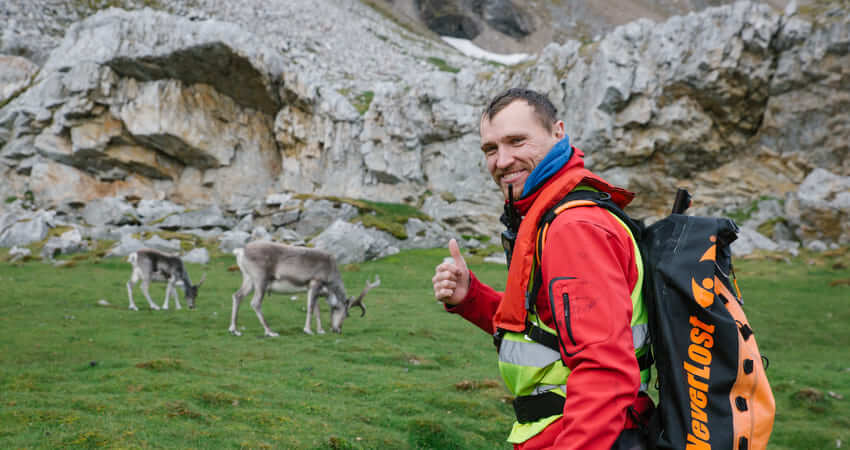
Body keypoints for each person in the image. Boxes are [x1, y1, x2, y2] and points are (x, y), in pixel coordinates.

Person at [431, 88, 652, 450]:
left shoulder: (574, 228)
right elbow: (546, 329)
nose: (502, 160)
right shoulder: (551, 215)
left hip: (581, 436)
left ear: (558, 132)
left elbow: (605, 371)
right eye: (490, 149)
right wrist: (471, 297)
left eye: (517, 141)